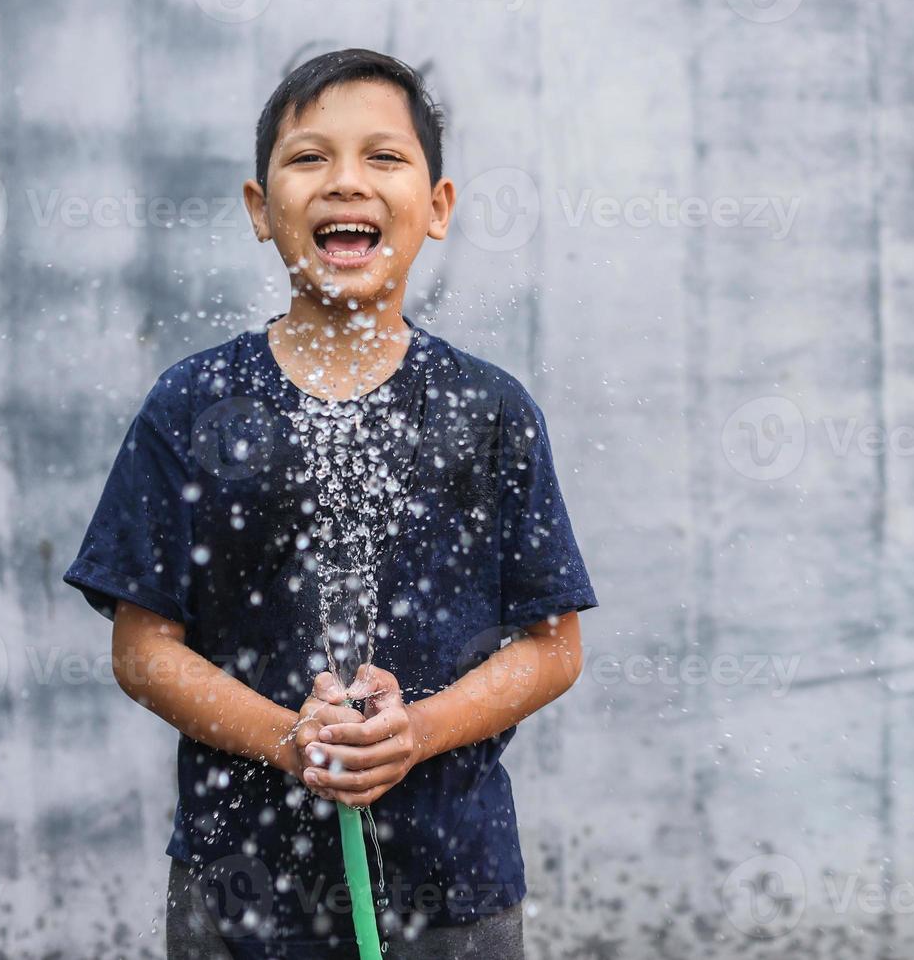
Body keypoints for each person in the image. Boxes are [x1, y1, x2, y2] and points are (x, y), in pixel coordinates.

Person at [62, 48, 597, 959]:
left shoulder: (488, 410)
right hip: (239, 890)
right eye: (310, 158)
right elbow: (144, 651)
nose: (346, 181)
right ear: (260, 210)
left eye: (383, 158)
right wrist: (289, 738)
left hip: (452, 889)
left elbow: (552, 650)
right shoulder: (192, 406)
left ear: (437, 208)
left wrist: (417, 730)